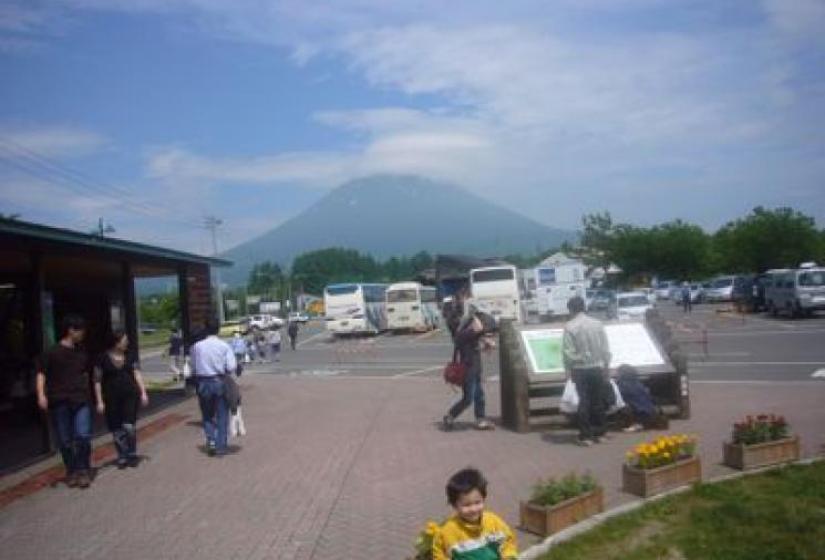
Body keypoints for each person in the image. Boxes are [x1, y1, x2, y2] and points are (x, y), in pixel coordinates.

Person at [35, 314, 94, 488]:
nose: (83, 334)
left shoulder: (82, 352)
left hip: (80, 399)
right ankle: (72, 470)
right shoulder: (52, 352)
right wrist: (41, 394)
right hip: (59, 399)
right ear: (71, 330)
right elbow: (41, 373)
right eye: (81, 330)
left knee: (83, 436)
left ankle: (83, 469)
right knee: (65, 440)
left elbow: (86, 373)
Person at [432, 467, 518, 560]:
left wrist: (508, 557)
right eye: (466, 505)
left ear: (483, 499)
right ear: (454, 505)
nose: (473, 509)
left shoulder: (493, 522)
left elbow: (508, 542)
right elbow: (440, 555)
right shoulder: (447, 532)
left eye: (477, 502)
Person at [93, 329, 149, 468]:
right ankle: (122, 455)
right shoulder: (102, 358)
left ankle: (131, 453)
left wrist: (143, 392)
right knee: (117, 429)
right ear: (116, 342)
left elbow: (137, 374)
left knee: (129, 426)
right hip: (111, 397)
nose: (127, 343)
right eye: (124, 341)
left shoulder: (130, 356)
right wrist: (99, 401)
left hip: (130, 395)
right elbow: (97, 380)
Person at [562, 295, 611, 446]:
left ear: (571, 309)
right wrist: (606, 365)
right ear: (584, 307)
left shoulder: (570, 327)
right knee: (597, 400)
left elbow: (568, 352)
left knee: (584, 400)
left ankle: (586, 435)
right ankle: (601, 432)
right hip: (597, 366)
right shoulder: (597, 324)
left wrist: (568, 369)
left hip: (580, 368)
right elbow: (605, 348)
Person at [442, 306, 496, 431]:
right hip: (468, 371)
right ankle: (450, 416)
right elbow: (479, 328)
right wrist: (474, 316)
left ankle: (480, 419)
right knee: (468, 399)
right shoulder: (462, 334)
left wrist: (486, 346)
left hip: (475, 368)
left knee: (479, 396)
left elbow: (476, 345)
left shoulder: (466, 334)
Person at [191, 318, 237, 456]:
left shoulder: (197, 346)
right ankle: (221, 446)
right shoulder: (224, 346)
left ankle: (210, 440)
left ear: (205, 328)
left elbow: (193, 366)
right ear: (218, 329)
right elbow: (231, 366)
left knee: (207, 414)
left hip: (202, 382)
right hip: (219, 381)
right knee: (222, 414)